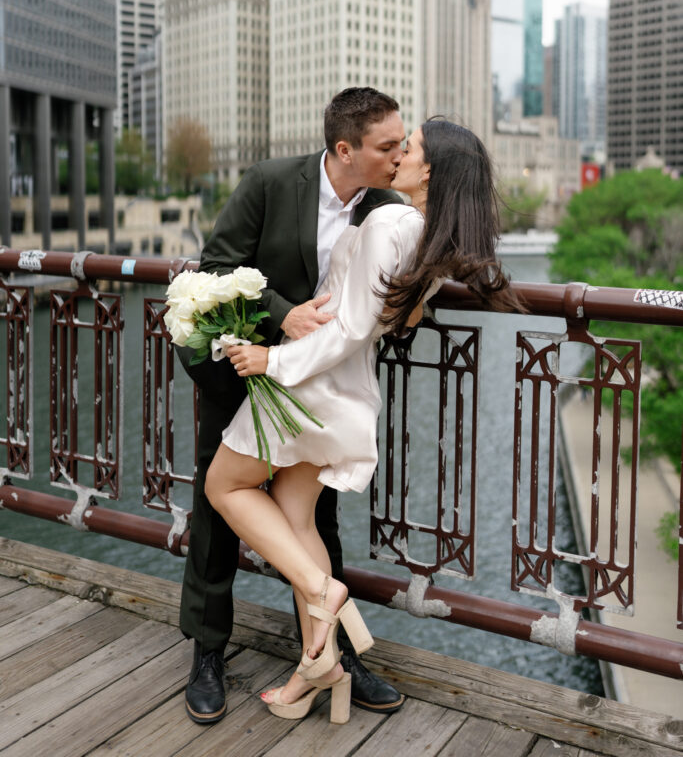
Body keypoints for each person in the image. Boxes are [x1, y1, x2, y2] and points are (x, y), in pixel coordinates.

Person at [205, 118, 521, 724]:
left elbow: (349, 327)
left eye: (413, 148)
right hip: (347, 396)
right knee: (296, 520)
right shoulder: (429, 238)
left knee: (225, 485)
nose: (402, 153)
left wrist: (274, 357)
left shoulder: (390, 222)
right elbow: (392, 321)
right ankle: (319, 667)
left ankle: (325, 593)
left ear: (430, 170)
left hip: (310, 386)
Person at [178, 87, 407, 724]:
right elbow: (218, 268)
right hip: (247, 376)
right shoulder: (271, 181)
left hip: (320, 392)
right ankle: (207, 653)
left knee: (316, 521)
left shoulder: (388, 205)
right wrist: (284, 316)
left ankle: (332, 654)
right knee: (217, 515)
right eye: (387, 145)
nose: (398, 154)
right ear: (344, 149)